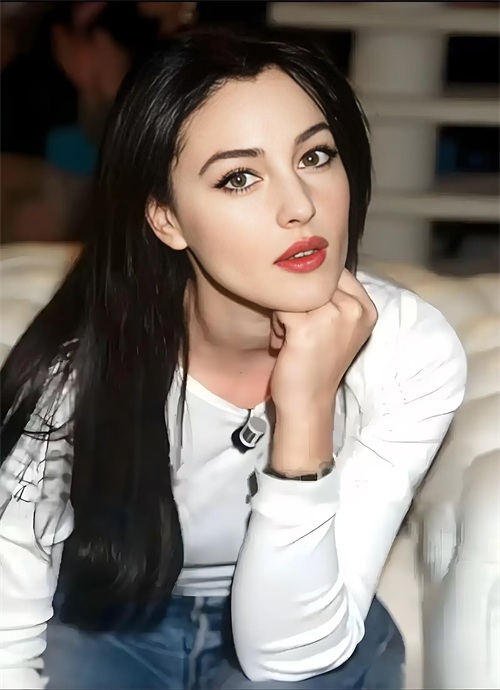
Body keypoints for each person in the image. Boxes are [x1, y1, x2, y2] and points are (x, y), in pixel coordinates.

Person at [0, 29, 467, 690]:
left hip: (309, 618)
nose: (300, 206)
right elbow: (7, 633)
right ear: (166, 219)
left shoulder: (409, 349)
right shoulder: (75, 374)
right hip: (111, 616)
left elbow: (290, 660)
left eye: (315, 155)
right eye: (239, 177)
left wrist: (305, 409)